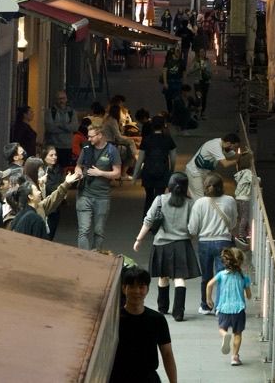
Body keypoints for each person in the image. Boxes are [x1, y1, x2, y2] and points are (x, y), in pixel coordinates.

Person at [135, 172, 201, 321]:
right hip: (182, 245)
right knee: (179, 279)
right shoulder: (191, 203)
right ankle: (179, 312)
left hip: (162, 244)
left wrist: (138, 239)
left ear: (169, 185)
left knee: (163, 276)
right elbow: (193, 227)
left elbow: (149, 220)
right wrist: (190, 235)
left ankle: (162, 308)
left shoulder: (160, 200)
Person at [110, 264, 178, 383]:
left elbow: (167, 353)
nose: (137, 291)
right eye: (131, 286)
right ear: (123, 288)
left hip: (148, 378)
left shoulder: (157, 319)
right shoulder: (114, 319)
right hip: (119, 378)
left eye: (141, 287)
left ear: (147, 289)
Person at [191, 174, 240, 311]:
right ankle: (220, 306)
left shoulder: (199, 203)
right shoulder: (230, 200)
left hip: (204, 243)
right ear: (221, 186)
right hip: (224, 242)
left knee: (206, 276)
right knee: (222, 276)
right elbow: (234, 222)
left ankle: (205, 306)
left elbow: (193, 228)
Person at [75, 122, 124, 251]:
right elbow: (78, 165)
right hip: (84, 194)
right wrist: (78, 172)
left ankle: (96, 258)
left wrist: (100, 173)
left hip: (102, 196)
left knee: (99, 231)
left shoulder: (111, 150)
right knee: (83, 230)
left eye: (91, 136)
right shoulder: (86, 148)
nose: (89, 139)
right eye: (88, 136)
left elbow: (117, 173)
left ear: (100, 135)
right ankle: (84, 259)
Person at [209, 245, 254, 366]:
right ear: (240, 262)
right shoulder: (244, 277)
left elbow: (209, 284)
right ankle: (234, 357)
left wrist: (208, 299)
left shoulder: (221, 275)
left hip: (224, 308)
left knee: (221, 328)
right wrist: (244, 292)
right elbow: (249, 295)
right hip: (239, 309)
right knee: (238, 333)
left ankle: (224, 335)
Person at [138, 116, 177, 209]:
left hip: (148, 172)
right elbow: (173, 158)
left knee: (149, 198)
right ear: (163, 125)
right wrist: (171, 170)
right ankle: (158, 220)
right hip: (162, 171)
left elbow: (140, 159)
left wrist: (136, 175)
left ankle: (146, 220)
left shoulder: (146, 139)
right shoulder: (168, 139)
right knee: (159, 197)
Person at [46, 92, 81, 164]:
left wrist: (60, 125)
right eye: (59, 99)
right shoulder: (50, 111)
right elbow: (50, 128)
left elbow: (75, 127)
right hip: (54, 145)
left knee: (66, 168)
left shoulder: (72, 112)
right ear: (56, 100)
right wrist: (67, 128)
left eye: (63, 98)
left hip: (67, 146)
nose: (61, 101)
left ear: (66, 99)